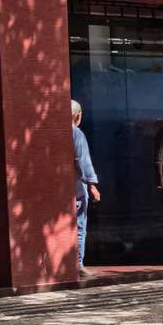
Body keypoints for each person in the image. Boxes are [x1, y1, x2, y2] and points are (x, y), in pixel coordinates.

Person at [70, 100, 101, 271]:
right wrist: (92, 184)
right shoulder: (77, 134)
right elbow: (82, 161)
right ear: (78, 116)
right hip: (77, 186)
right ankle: (78, 264)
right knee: (80, 225)